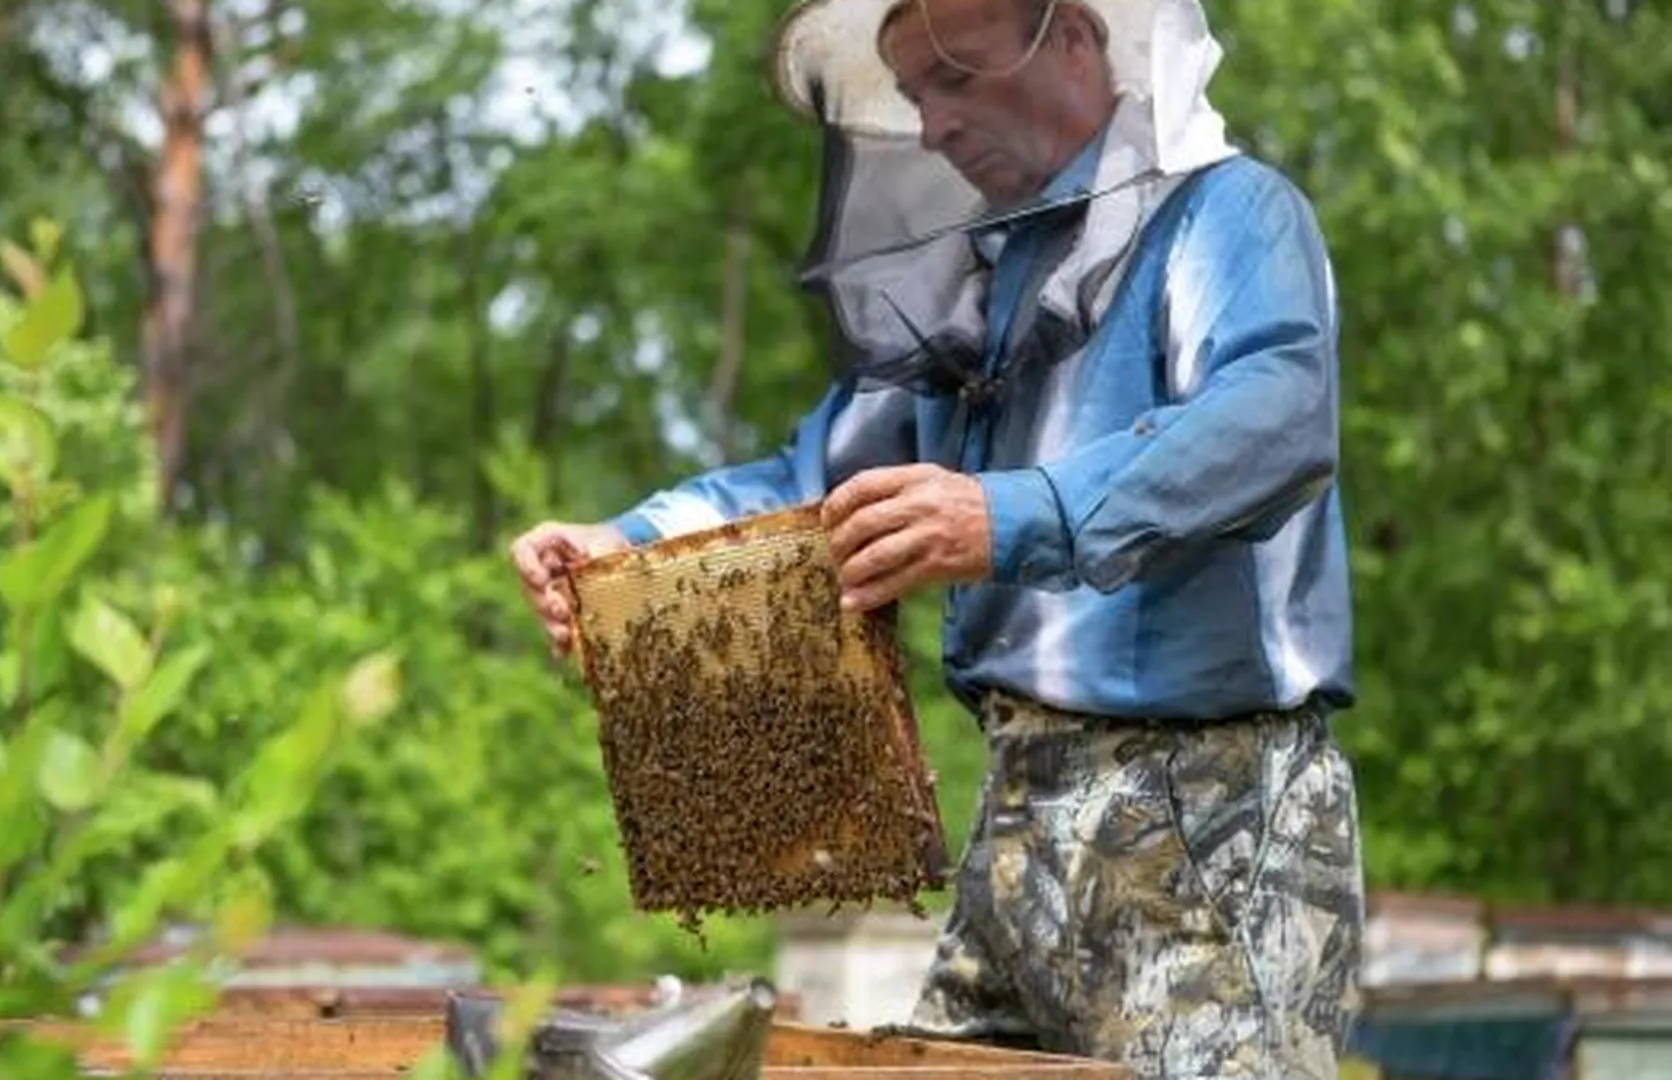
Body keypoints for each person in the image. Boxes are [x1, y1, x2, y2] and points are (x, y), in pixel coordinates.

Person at [510, 0, 1364, 1075]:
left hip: (1209, 808)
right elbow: (812, 487)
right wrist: (623, 547)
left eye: (954, 78)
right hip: (1016, 813)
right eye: (914, 97)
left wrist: (1010, 513)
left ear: (1076, 38)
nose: (934, 125)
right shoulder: (973, 290)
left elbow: (1273, 418)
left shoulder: (1226, 214)